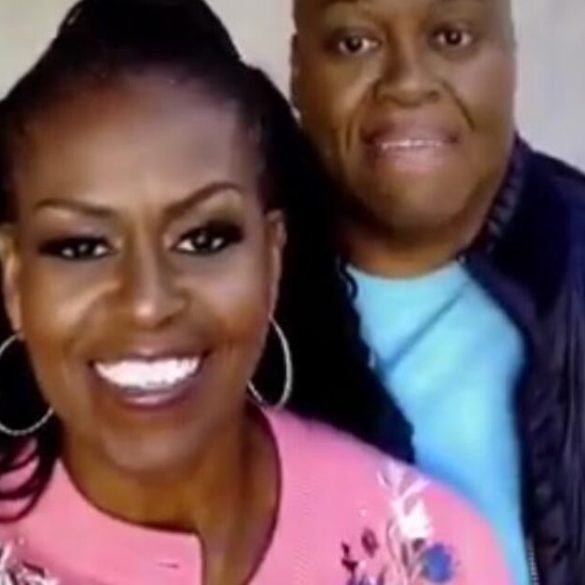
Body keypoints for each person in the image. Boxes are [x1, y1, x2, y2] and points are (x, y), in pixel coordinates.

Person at [0, 0, 511, 583]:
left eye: (202, 239)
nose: (147, 302)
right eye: (81, 247)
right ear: (14, 279)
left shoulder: (431, 551)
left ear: (271, 258)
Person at [291, 0, 585, 584]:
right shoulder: (233, 302)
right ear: (300, 71)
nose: (407, 83)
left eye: (451, 37)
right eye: (354, 43)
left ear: (511, 57)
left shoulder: (574, 256)